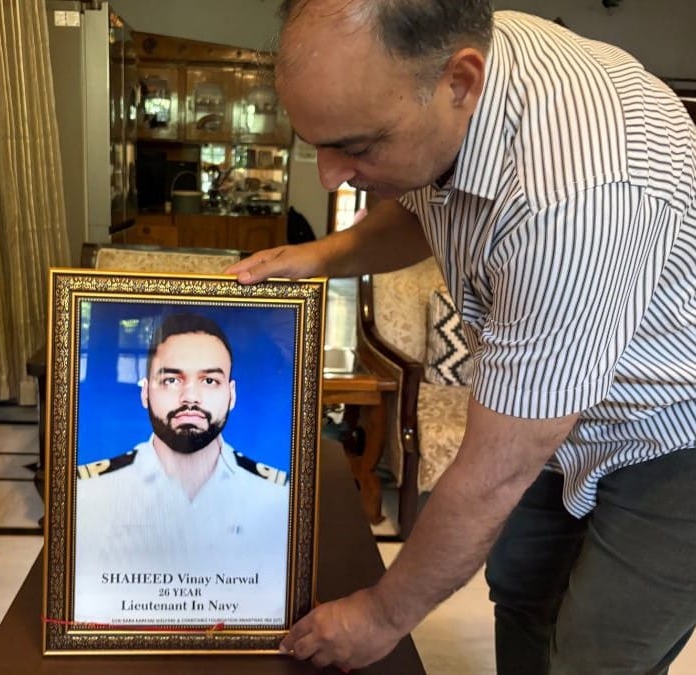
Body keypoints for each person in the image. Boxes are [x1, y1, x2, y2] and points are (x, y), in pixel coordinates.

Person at [228, 1, 696, 672]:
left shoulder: (572, 195)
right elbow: (420, 205)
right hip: (555, 404)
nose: (329, 176)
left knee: (598, 651)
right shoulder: (450, 70)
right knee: (521, 587)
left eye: (356, 147)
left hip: (674, 429)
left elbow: (493, 470)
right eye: (317, 144)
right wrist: (322, 256)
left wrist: (382, 613)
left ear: (461, 83)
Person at [73, 313, 290, 628]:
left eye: (209, 381)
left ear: (232, 395)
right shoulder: (88, 493)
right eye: (171, 380)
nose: (190, 397)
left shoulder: (277, 495)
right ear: (145, 392)